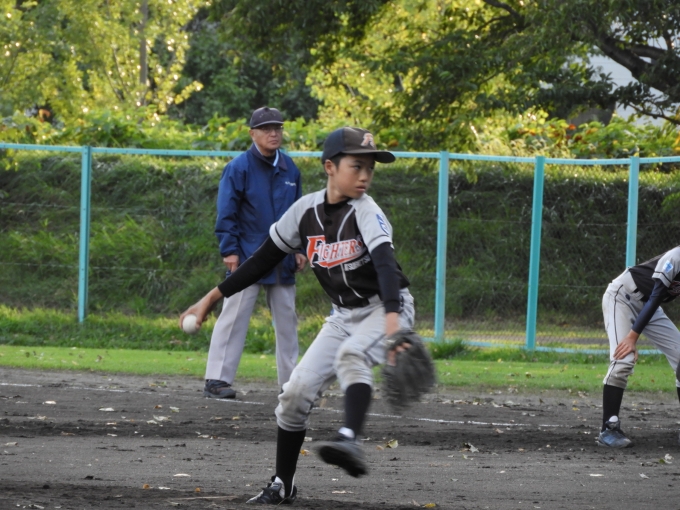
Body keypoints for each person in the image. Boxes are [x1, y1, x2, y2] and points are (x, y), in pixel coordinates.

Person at [180, 127, 414, 504]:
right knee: (294, 393)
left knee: (352, 357)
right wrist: (211, 297)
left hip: (386, 307)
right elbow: (261, 261)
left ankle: (349, 439)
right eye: (356, 166)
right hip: (343, 316)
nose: (365, 175)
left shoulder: (366, 211)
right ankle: (282, 484)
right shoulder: (304, 212)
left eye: (370, 168)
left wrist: (391, 323)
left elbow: (386, 266)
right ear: (329, 167)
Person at [203, 106, 306, 399]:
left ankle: (290, 384)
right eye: (266, 129)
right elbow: (227, 211)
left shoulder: (290, 168)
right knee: (234, 317)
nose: (274, 133)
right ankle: (217, 380)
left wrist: (300, 248)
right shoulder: (238, 168)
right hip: (247, 255)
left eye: (278, 128)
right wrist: (230, 250)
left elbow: (299, 213)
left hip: (282, 257)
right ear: (252, 134)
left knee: (287, 322)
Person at [599, 246, 680, 448]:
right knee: (623, 359)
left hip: (650, 307)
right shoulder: (675, 258)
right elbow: (656, 295)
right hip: (622, 297)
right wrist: (632, 337)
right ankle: (608, 429)